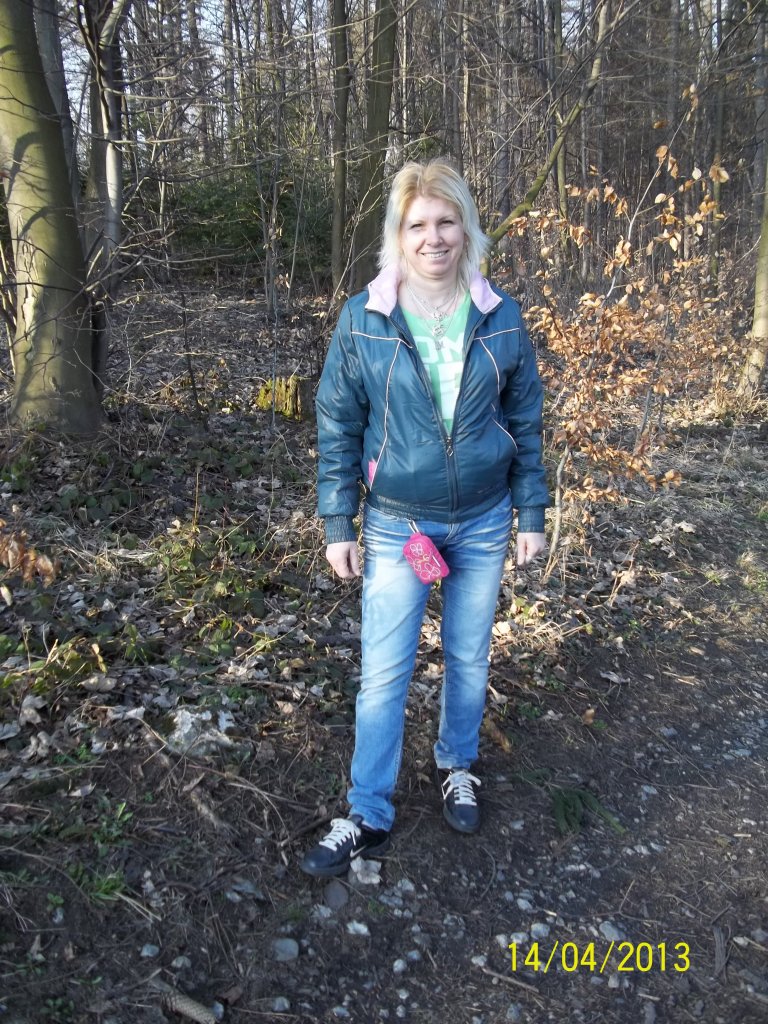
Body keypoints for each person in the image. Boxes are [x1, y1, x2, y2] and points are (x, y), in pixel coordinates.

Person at [301, 157, 549, 879]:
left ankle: (456, 765)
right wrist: (338, 520)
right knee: (384, 672)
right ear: (397, 234)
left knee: (469, 657)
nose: (433, 237)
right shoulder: (365, 317)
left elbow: (526, 421)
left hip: (484, 519)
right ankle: (368, 811)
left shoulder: (501, 316)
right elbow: (337, 423)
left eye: (446, 222)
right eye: (417, 225)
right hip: (398, 525)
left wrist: (531, 511)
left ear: (466, 229)